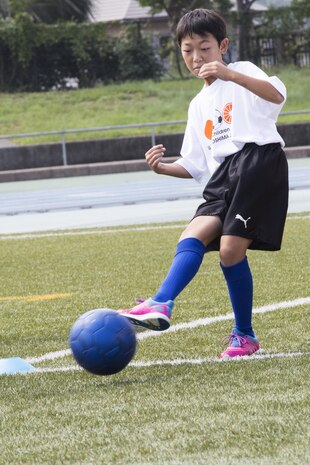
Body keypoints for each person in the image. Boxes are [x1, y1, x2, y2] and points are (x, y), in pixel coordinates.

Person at [119, 8, 289, 359]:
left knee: (229, 251)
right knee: (192, 234)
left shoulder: (241, 71)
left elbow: (276, 95)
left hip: (257, 162)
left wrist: (229, 73)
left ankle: (244, 335)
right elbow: (196, 164)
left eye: (205, 48)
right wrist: (164, 168)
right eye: (187, 50)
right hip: (223, 174)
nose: (196, 57)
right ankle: (161, 303)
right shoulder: (197, 105)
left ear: (223, 45)